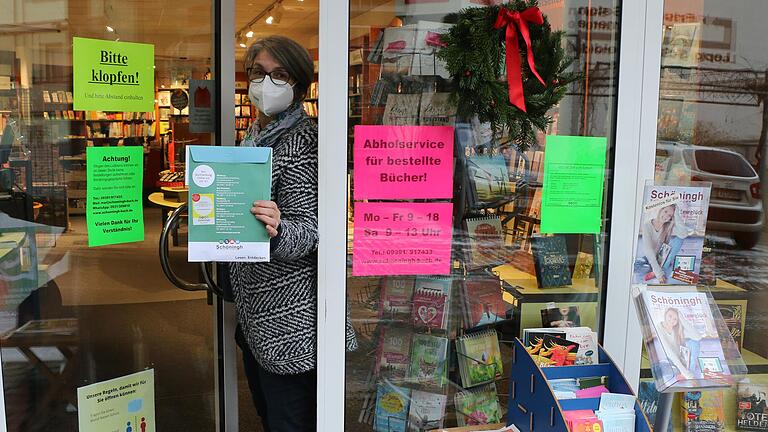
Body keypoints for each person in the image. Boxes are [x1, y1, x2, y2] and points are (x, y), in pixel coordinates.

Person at [230, 36, 357, 432]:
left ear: (300, 87)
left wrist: (278, 227)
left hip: (293, 324)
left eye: (280, 75)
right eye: (259, 73)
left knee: (291, 423)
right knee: (271, 417)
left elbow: (315, 231)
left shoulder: (304, 141)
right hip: (258, 318)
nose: (266, 83)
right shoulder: (255, 136)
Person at [635, 203, 684, 283]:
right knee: (637, 265)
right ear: (661, 210)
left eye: (670, 215)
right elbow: (648, 251)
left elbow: (683, 234)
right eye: (665, 211)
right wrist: (658, 272)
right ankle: (658, 269)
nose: (666, 216)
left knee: (679, 239)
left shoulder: (668, 226)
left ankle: (661, 269)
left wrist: (677, 215)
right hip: (649, 258)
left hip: (662, 259)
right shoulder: (647, 225)